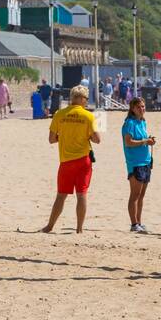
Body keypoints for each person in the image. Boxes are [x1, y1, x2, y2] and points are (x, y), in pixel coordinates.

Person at [42, 86, 101, 234]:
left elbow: (51, 139)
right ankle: (79, 229)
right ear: (82, 99)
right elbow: (97, 140)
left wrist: (64, 137)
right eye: (86, 99)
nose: (86, 102)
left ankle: (49, 226)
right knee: (82, 194)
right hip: (83, 160)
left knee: (61, 195)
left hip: (66, 160)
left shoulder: (59, 114)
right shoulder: (89, 116)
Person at [121, 97, 156, 233]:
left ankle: (139, 222)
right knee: (134, 195)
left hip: (146, 161)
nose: (142, 109)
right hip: (135, 162)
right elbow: (128, 142)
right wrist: (144, 141)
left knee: (141, 196)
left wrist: (149, 141)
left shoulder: (142, 122)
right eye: (139, 107)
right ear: (132, 109)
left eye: (143, 106)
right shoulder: (129, 123)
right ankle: (134, 224)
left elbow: (144, 139)